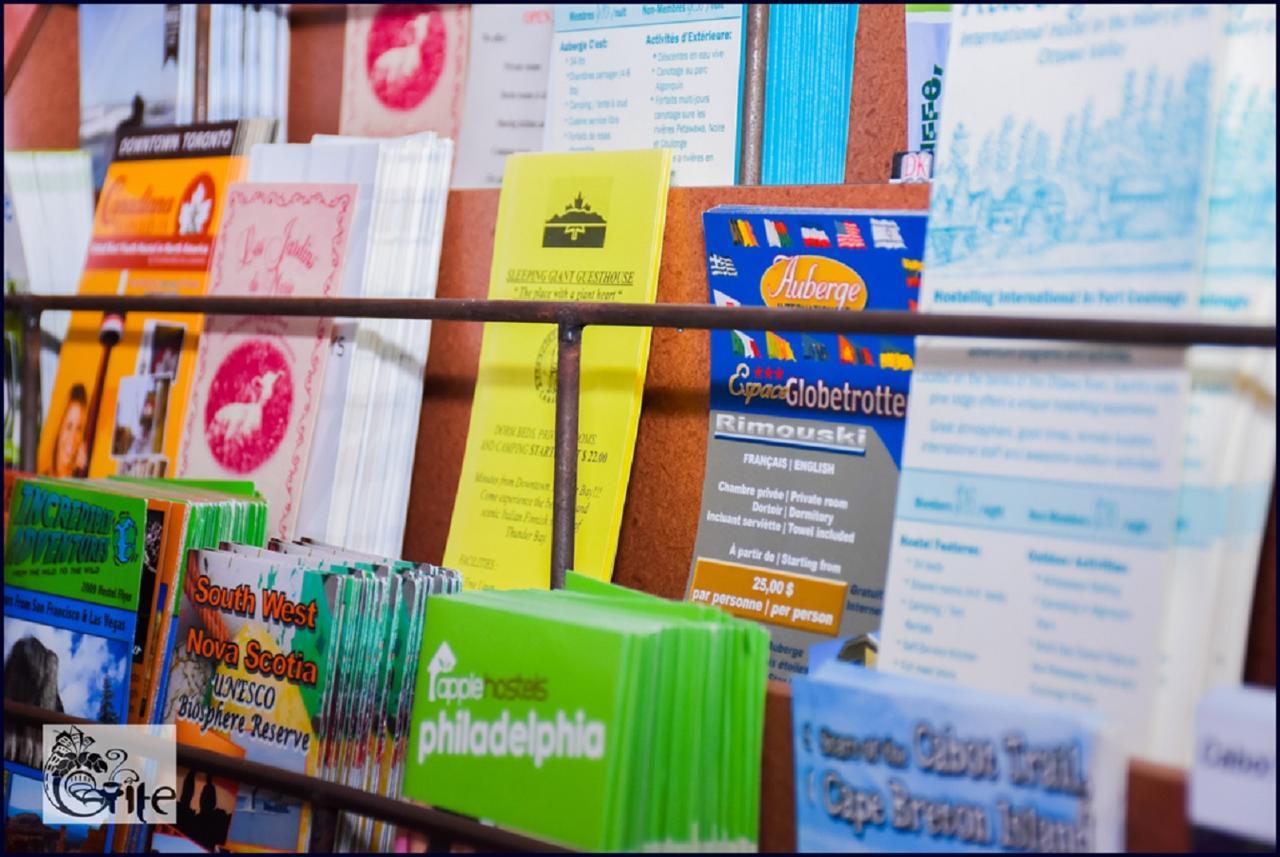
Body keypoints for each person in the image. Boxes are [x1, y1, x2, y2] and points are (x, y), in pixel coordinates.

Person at [48, 384, 88, 477]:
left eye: (79, 429)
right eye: (68, 426)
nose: (73, 437)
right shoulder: (39, 480)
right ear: (59, 429)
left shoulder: (80, 480)